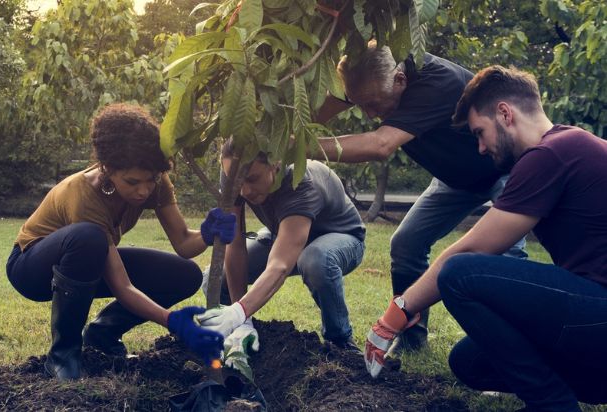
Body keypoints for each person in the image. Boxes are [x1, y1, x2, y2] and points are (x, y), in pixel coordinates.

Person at [364, 66, 607, 411]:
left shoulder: (550, 153)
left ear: (505, 113)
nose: (479, 148)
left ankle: (552, 404)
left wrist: (396, 314)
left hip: (600, 314)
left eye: (480, 132)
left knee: (460, 275)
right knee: (471, 361)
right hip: (596, 321)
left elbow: (475, 247)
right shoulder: (569, 144)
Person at [311, 41, 527, 351]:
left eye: (374, 103)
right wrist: (279, 135)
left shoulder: (437, 81)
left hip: (503, 169)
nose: (371, 114)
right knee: (406, 244)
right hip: (455, 180)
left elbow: (380, 145)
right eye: (360, 105)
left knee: (507, 253)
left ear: (400, 80)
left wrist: (301, 146)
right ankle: (412, 338)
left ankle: (513, 347)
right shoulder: (374, 75)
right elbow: (323, 110)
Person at [6, 103, 232, 380]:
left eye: (151, 180)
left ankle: (103, 333)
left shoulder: (155, 181)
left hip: (88, 264)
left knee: (183, 275)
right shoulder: (82, 195)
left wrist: (209, 233)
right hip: (32, 268)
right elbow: (122, 286)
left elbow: (185, 244)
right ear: (107, 168)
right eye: (132, 182)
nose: (143, 190)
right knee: (88, 237)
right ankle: (63, 355)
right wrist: (174, 322)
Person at [198, 140, 366, 363]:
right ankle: (239, 340)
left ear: (275, 165)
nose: (244, 190)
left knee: (316, 259)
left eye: (252, 179)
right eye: (237, 182)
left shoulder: (302, 182)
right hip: (283, 234)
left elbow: (280, 265)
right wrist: (242, 320)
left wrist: (240, 310)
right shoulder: (234, 173)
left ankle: (340, 343)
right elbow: (234, 243)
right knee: (214, 278)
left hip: (340, 239)